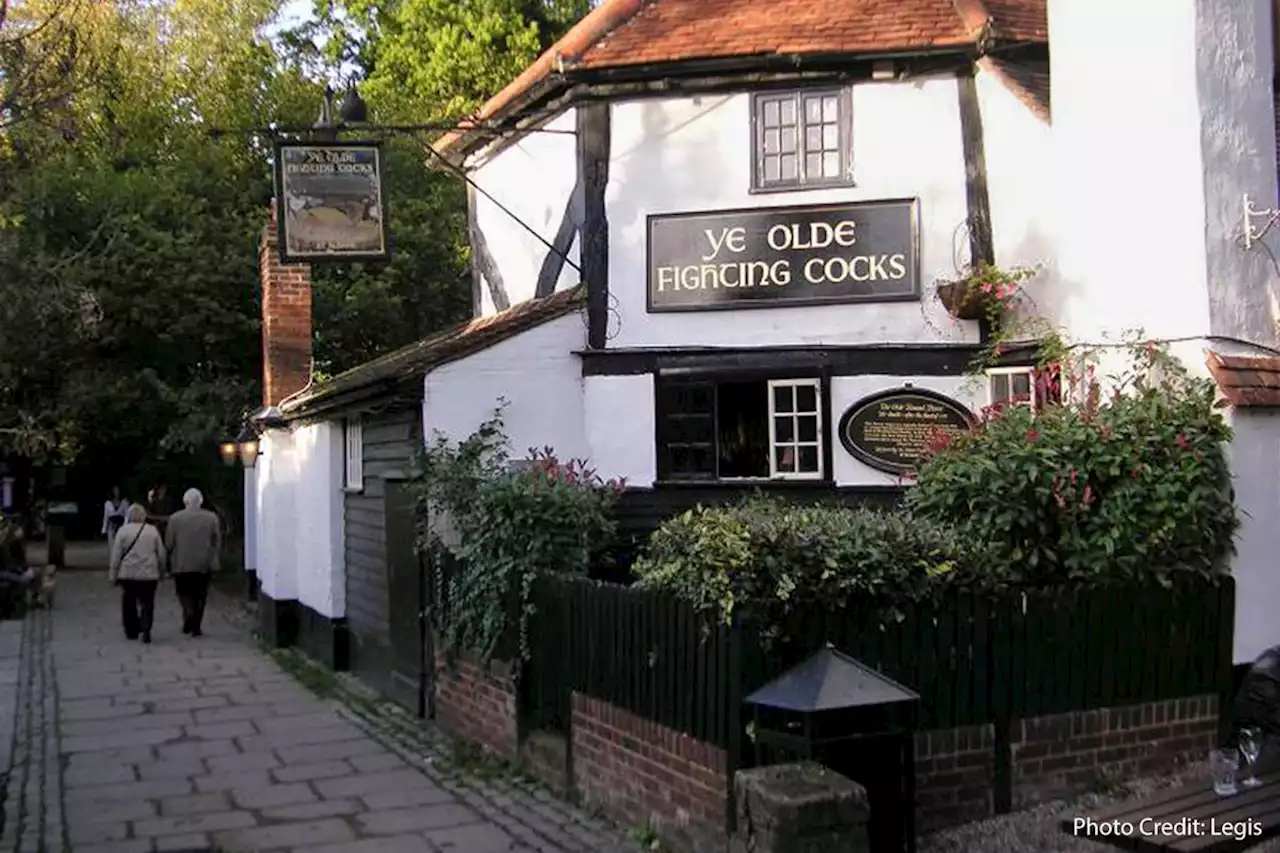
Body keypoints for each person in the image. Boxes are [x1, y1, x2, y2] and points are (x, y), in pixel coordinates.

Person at [164, 488, 220, 637]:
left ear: (185, 501)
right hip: (203, 562)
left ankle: (189, 613)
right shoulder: (211, 518)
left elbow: (169, 542)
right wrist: (213, 555)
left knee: (183, 592)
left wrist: (168, 557)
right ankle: (196, 623)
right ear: (200, 501)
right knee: (201, 593)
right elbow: (216, 540)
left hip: (181, 563)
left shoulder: (175, 519)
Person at [107, 504, 166, 643]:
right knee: (148, 602)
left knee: (128, 601)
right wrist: (162, 571)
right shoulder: (152, 531)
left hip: (128, 574)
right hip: (149, 574)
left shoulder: (122, 531)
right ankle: (146, 628)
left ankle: (131, 629)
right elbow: (161, 554)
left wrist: (113, 575)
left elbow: (116, 556)